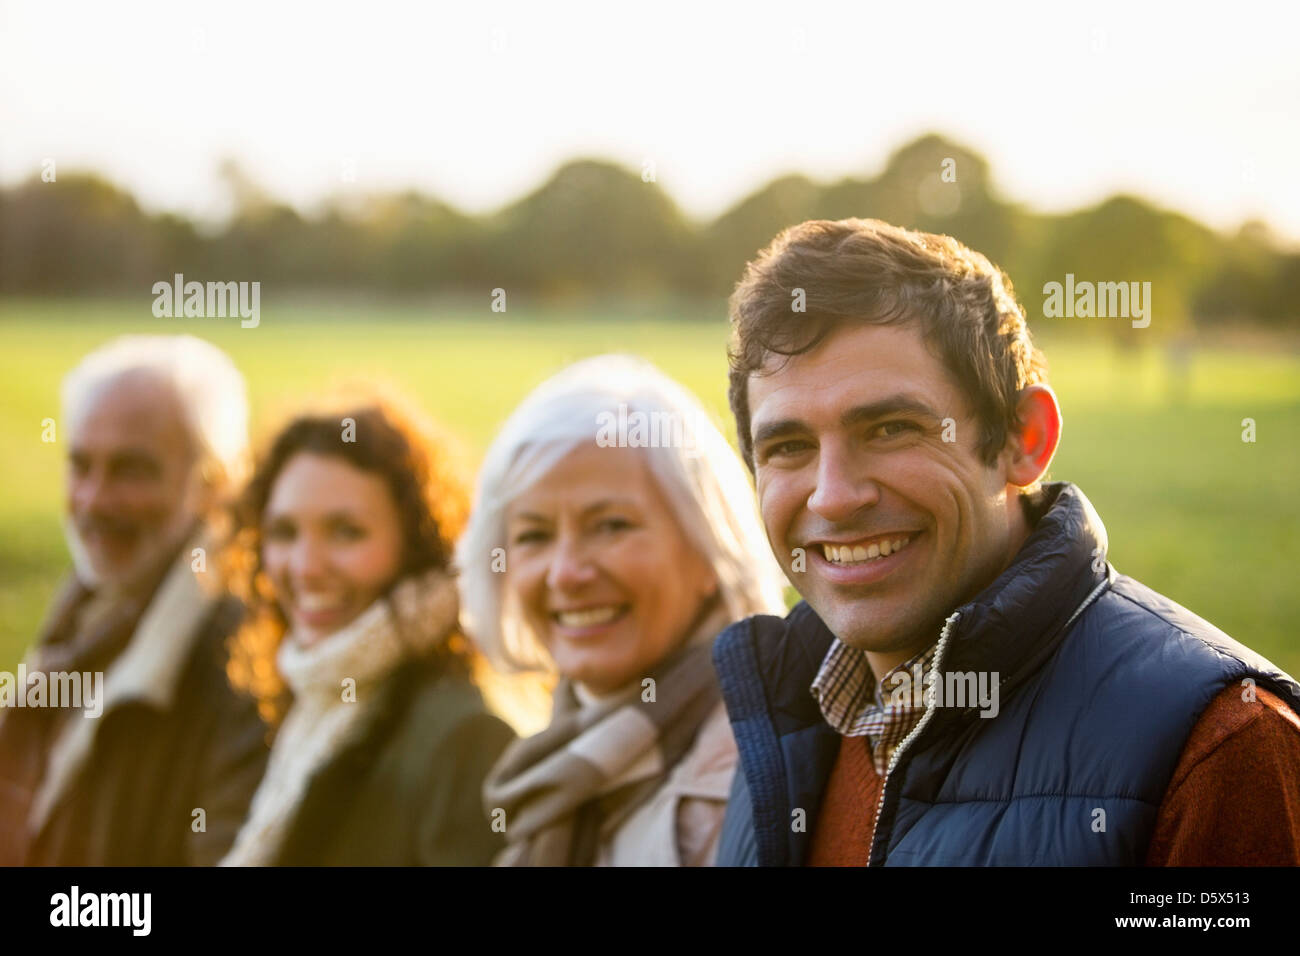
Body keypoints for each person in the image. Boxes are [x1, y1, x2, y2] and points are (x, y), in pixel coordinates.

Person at [713, 218, 1300, 866]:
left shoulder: (1222, 746)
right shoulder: (777, 713)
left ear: (1025, 439)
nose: (832, 496)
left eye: (889, 428)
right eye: (790, 446)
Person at [461, 355, 787, 866]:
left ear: (707, 549)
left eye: (611, 526)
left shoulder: (760, 777)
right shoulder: (564, 762)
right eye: (534, 536)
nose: (566, 572)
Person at [0, 335, 269, 866]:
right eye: (81, 466)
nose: (95, 500)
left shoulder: (244, 657)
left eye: (132, 470)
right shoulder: (91, 602)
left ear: (216, 483)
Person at [219, 395, 515, 866]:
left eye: (345, 532)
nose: (306, 567)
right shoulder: (304, 701)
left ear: (416, 544)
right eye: (284, 532)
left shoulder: (465, 737)